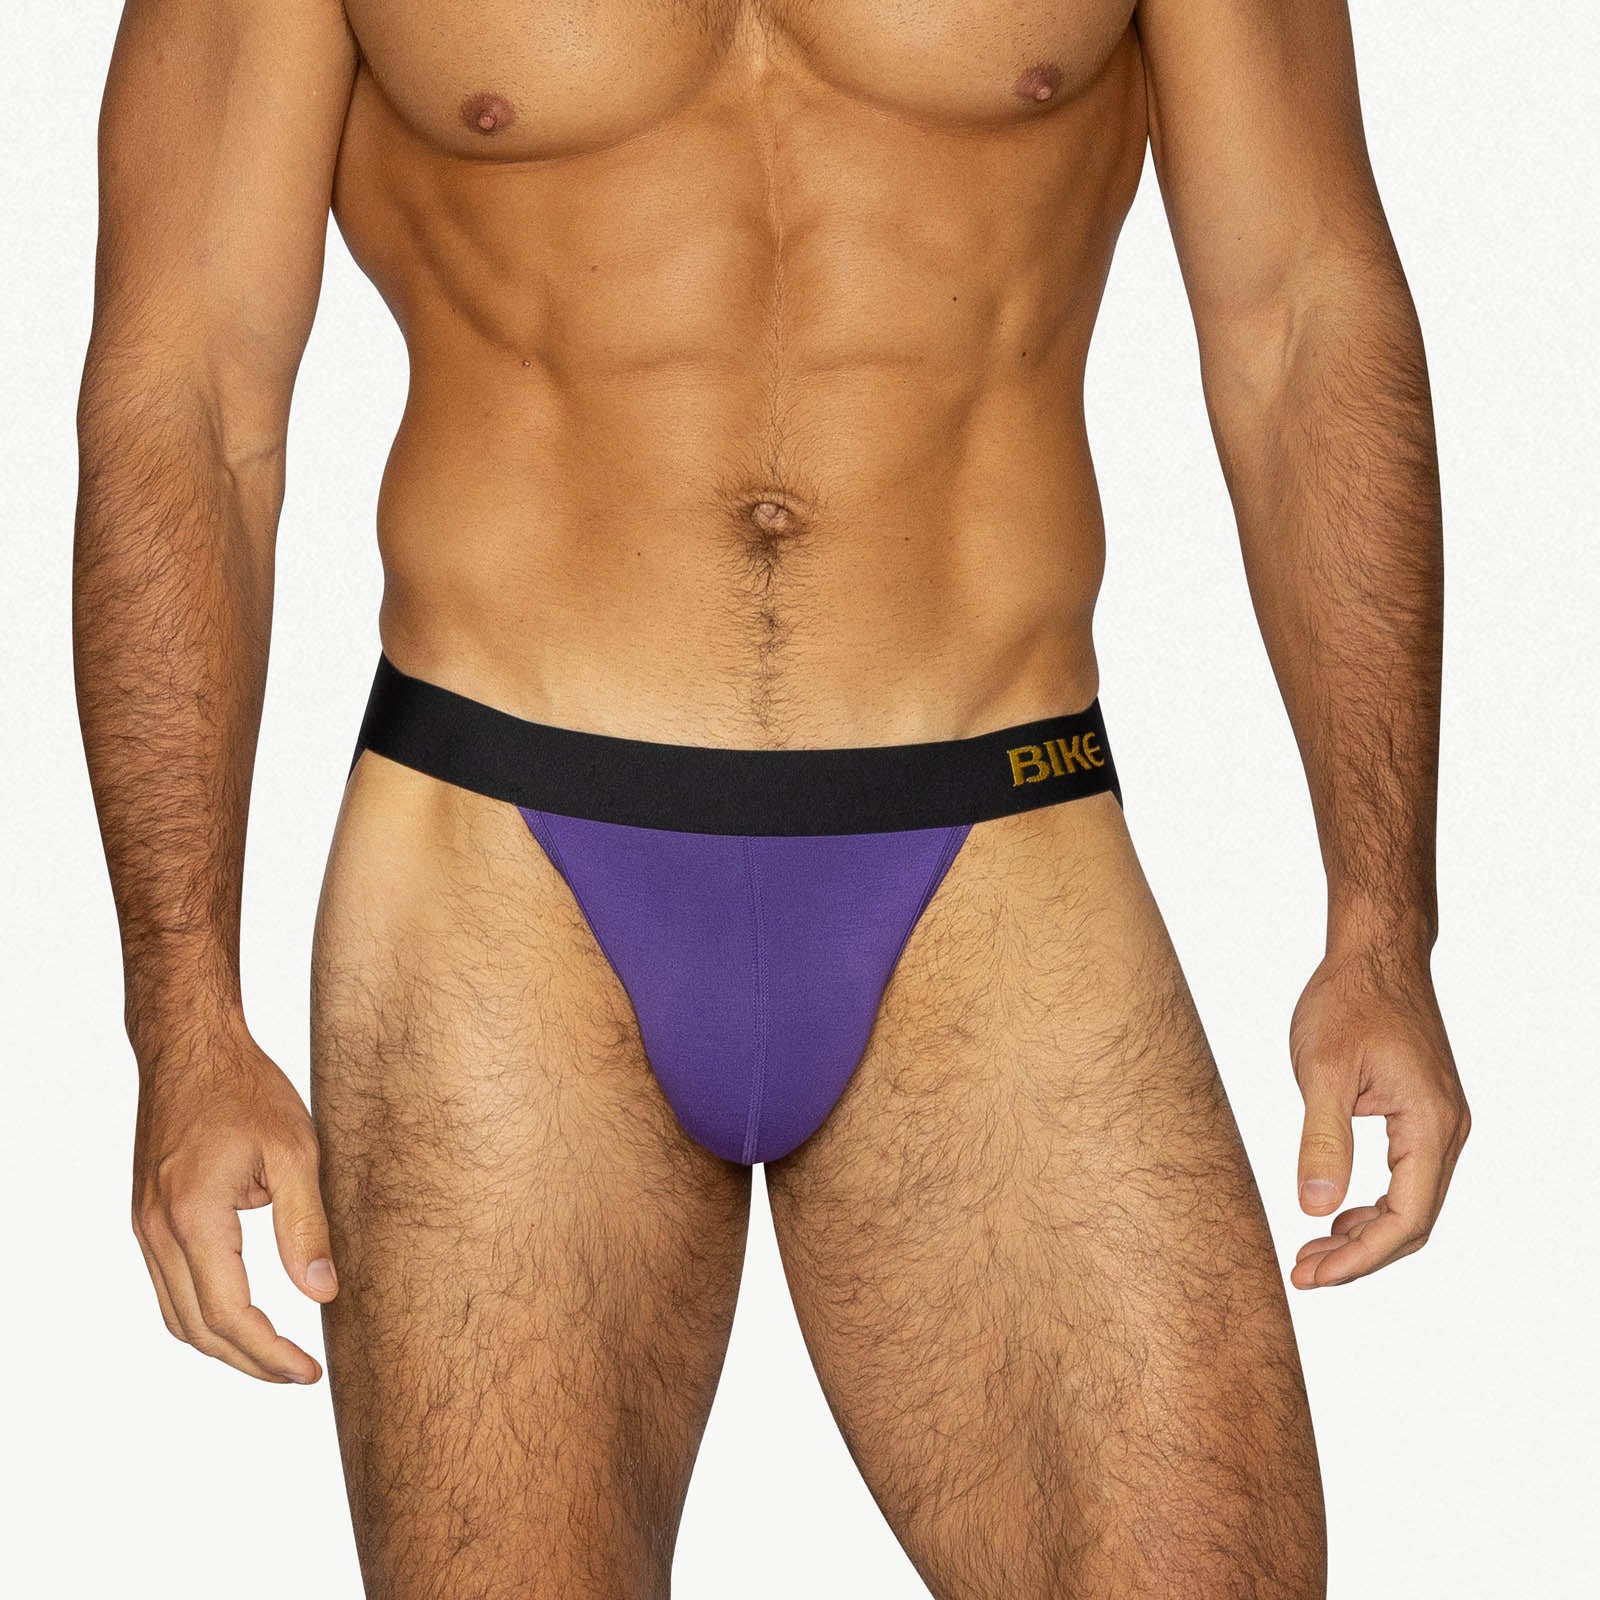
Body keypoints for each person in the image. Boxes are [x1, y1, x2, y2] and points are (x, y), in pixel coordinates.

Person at [74, 0, 1470, 1593]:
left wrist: (1384, 920)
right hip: (499, 861)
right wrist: (182, 1017)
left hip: (997, 832)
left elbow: (1303, 325)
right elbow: (187, 394)